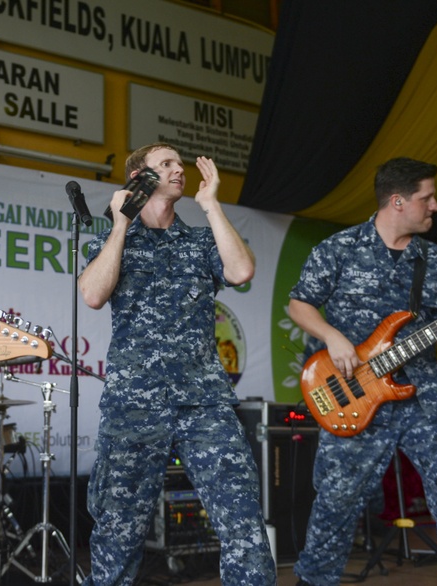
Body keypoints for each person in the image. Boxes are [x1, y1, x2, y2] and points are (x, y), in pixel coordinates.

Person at [288, 157, 437, 586]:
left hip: (424, 392)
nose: (435, 205)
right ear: (398, 201)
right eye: (427, 197)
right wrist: (332, 335)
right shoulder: (340, 248)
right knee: (337, 501)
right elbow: (298, 304)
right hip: (353, 391)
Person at [78, 142, 276, 585]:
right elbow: (92, 295)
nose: (178, 170)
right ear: (139, 178)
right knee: (117, 532)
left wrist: (210, 206)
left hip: (204, 403)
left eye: (179, 164)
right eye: (165, 164)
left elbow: (242, 271)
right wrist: (120, 223)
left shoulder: (201, 239)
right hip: (134, 405)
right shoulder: (115, 239)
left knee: (243, 521)